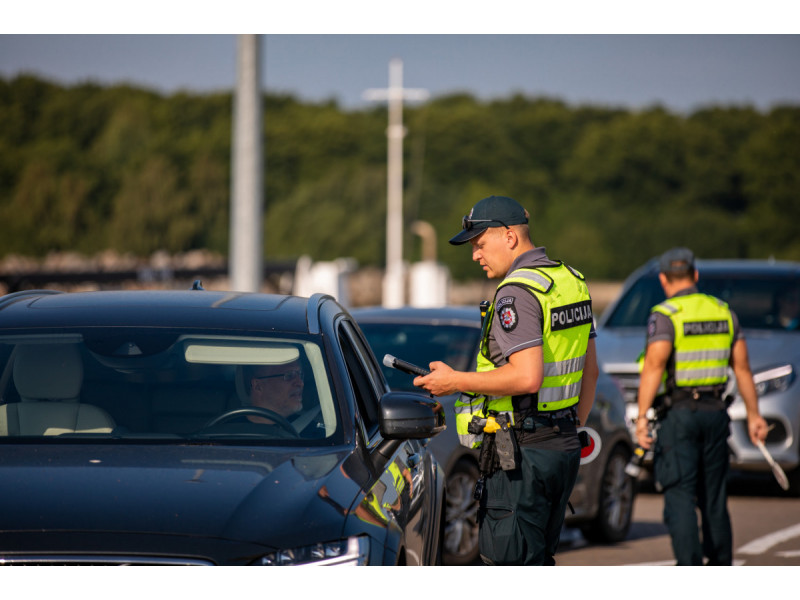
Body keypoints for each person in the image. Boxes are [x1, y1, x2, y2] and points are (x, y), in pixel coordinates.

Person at [413, 195, 598, 566]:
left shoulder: (516, 292)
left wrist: (454, 382)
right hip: (560, 446)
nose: (475, 255)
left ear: (510, 236)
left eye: (480, 244)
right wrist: (568, 425)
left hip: (523, 454)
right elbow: (589, 370)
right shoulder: (570, 281)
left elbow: (527, 377)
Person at [635, 247, 768, 566]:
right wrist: (754, 415)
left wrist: (641, 419)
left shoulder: (666, 314)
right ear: (695, 276)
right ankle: (720, 567)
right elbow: (743, 368)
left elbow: (654, 366)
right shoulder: (723, 311)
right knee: (714, 498)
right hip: (715, 415)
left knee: (679, 493)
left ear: (664, 280)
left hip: (680, 416)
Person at [244, 359, 305, 424]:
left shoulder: (311, 429)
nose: (301, 383)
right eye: (289, 375)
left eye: (300, 375)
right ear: (258, 386)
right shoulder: (232, 429)